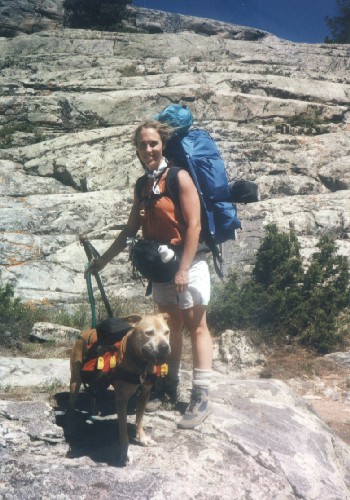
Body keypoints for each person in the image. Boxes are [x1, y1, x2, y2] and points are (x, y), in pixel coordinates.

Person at [89, 120, 213, 429]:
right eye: (143, 145)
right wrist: (102, 261)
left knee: (197, 326)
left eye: (153, 143)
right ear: (137, 150)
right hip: (162, 270)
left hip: (189, 264)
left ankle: (201, 395)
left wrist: (184, 268)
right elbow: (130, 230)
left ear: (163, 145)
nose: (148, 149)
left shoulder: (179, 178)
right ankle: (169, 385)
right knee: (169, 329)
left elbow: (195, 226)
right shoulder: (143, 186)